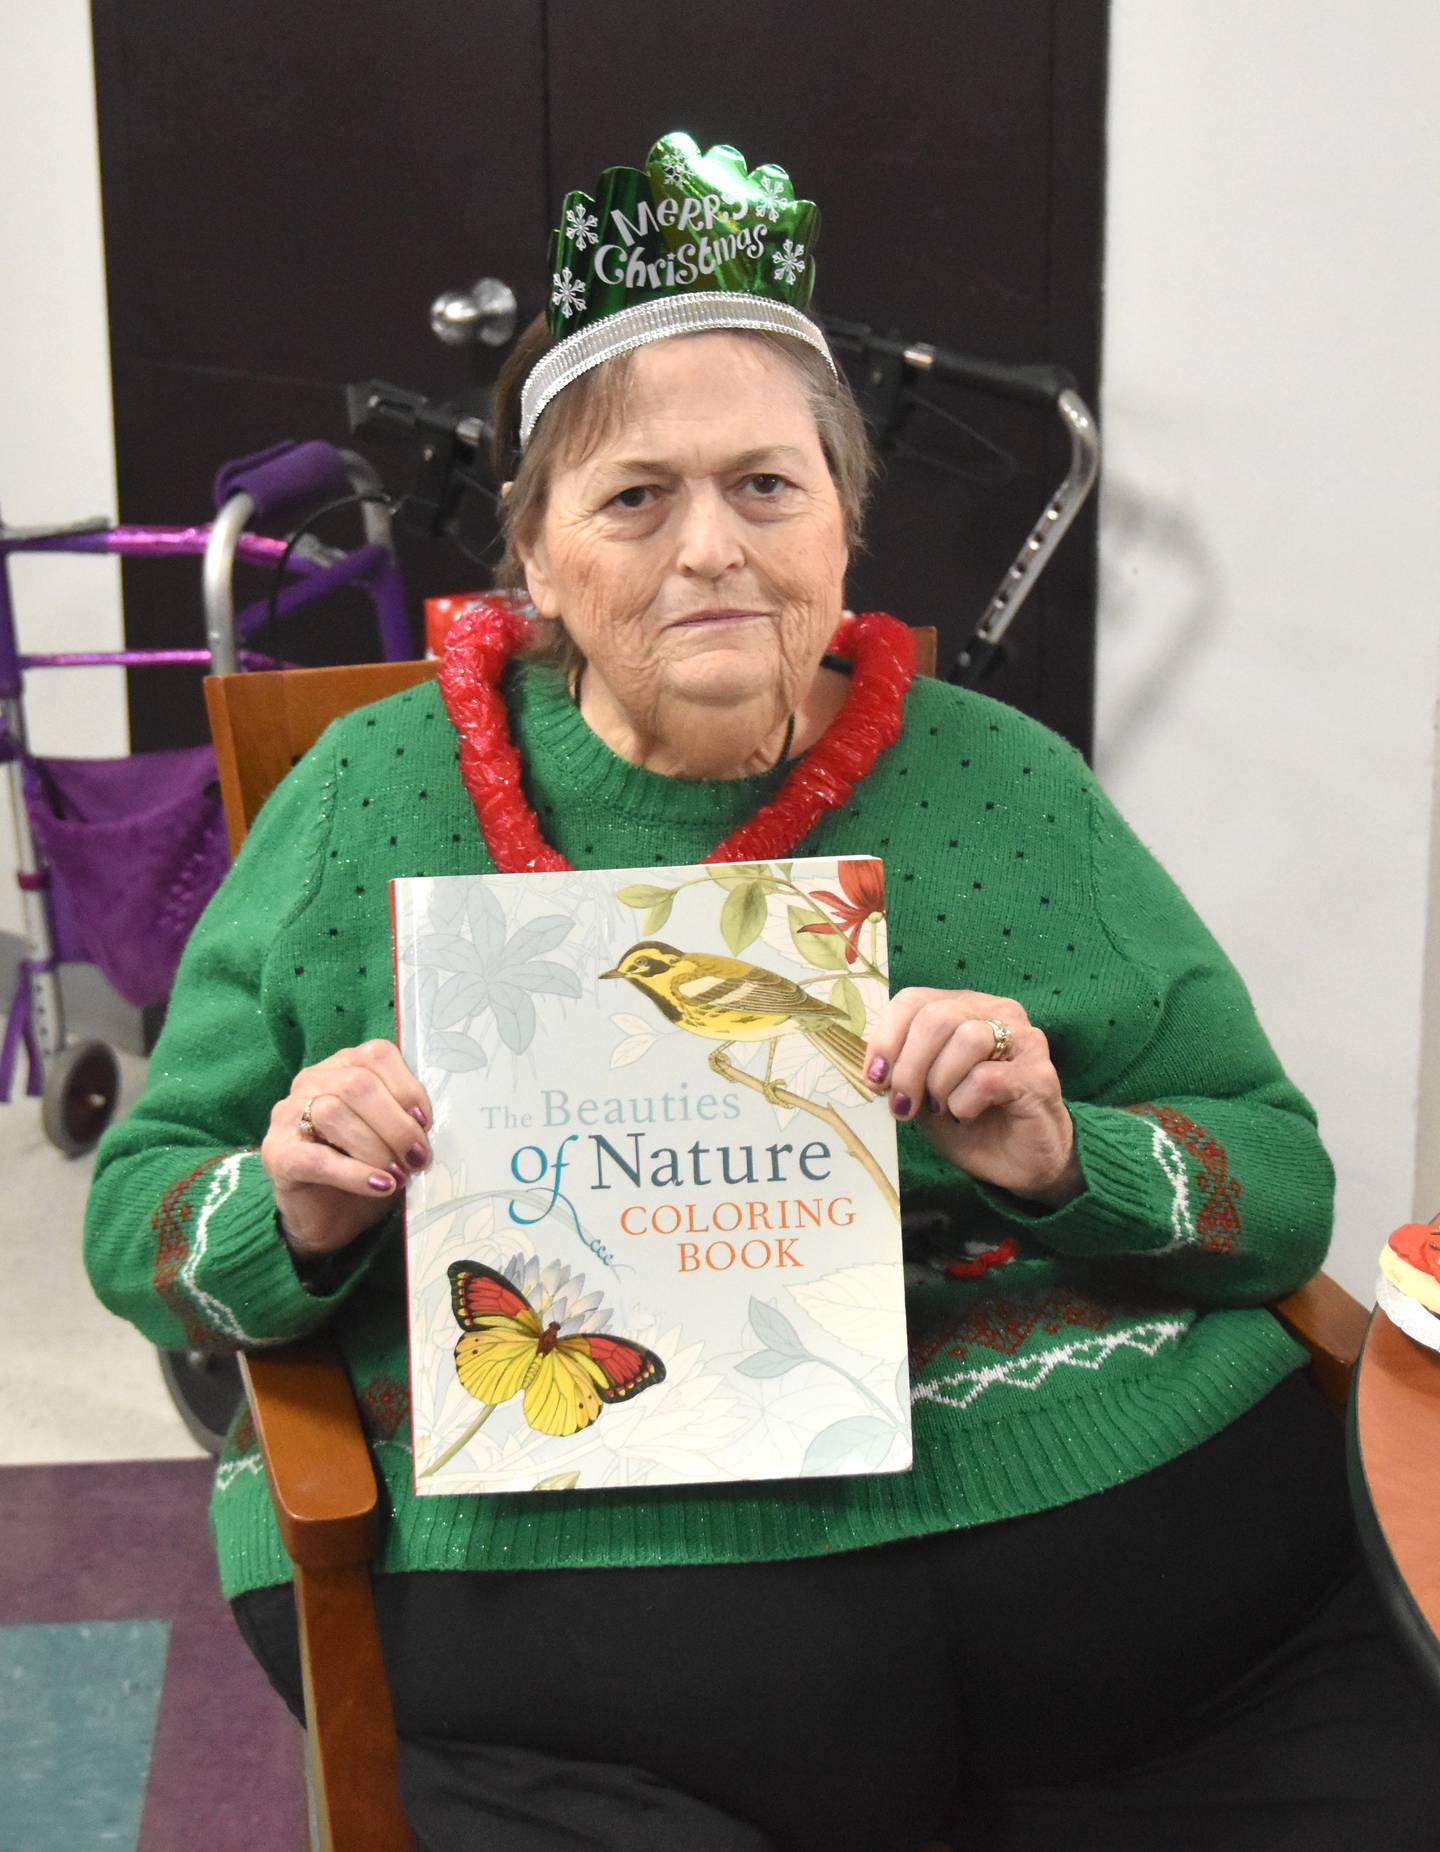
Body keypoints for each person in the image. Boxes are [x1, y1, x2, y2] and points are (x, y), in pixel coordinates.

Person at [85, 131, 1432, 1851]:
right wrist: (296, 1198)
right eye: (635, 495)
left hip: (1152, 1612)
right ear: (538, 557)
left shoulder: (1004, 780)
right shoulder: (368, 793)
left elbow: (1279, 1183)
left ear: (845, 525)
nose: (709, 546)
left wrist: (1055, 1153)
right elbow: (144, 1227)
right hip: (583, 1613)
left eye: (767, 485)